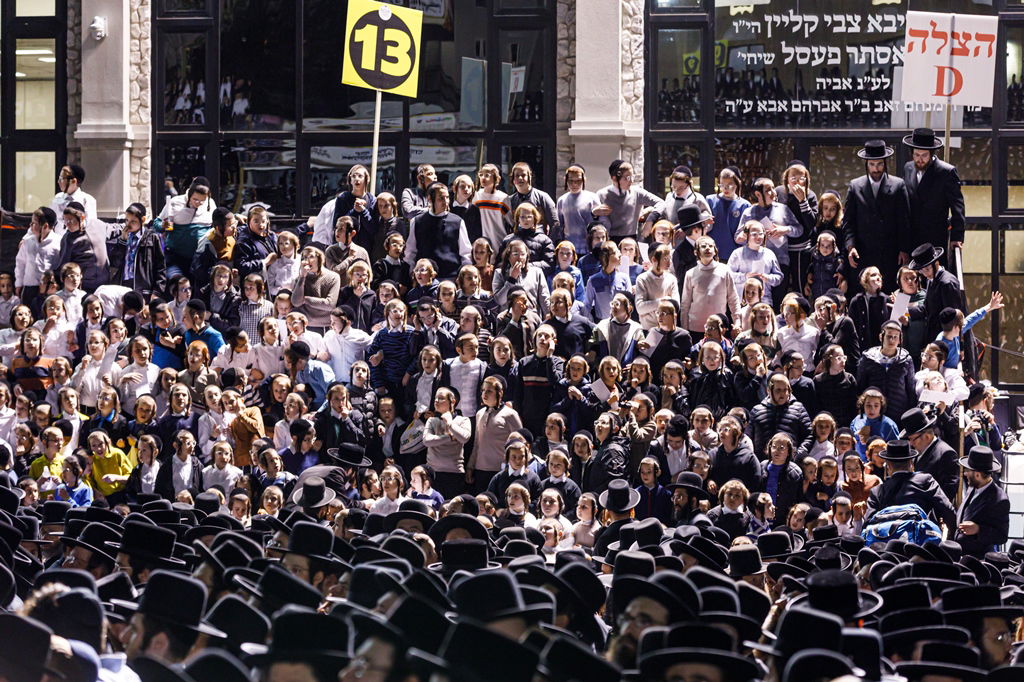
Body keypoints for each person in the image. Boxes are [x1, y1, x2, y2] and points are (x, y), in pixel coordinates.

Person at [841, 140, 912, 292]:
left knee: (889, 295)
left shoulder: (898, 185)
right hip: (864, 252)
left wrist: (904, 249)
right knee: (863, 296)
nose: (876, 168)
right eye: (872, 164)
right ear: (866, 164)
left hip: (890, 253)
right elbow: (848, 222)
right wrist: (851, 246)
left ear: (885, 163)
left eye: (879, 164)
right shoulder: (855, 186)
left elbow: (904, 220)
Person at [902, 127, 966, 259]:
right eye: (916, 155)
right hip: (911, 237)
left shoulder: (946, 172)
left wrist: (957, 237)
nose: (920, 159)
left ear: (931, 154)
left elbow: (958, 207)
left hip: (935, 237)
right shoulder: (908, 167)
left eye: (924, 155)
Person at [865, 439, 956, 530]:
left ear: (888, 466)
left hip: (886, 542)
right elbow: (947, 511)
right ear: (911, 463)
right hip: (921, 541)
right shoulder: (925, 481)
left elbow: (868, 524)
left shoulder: (877, 491)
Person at [405, 182, 472, 280]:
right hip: (424, 278)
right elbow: (410, 252)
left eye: (447, 197)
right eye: (441, 198)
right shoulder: (417, 221)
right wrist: (412, 273)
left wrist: (463, 276)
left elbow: (466, 253)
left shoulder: (457, 221)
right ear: (429, 198)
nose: (445, 201)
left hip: (450, 277)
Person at [857, 320, 916, 426]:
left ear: (900, 339)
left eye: (895, 337)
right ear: (881, 337)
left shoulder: (906, 360)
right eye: (889, 336)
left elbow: (911, 390)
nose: (892, 340)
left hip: (898, 413)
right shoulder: (868, 359)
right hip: (873, 413)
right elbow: (861, 387)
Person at [954, 445, 1009, 558]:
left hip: (977, 560)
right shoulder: (973, 485)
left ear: (977, 475)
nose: (964, 474)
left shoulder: (999, 500)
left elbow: (1001, 536)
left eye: (967, 471)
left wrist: (979, 529)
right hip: (960, 554)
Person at [593, 159, 665, 240]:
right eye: (627, 178)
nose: (632, 181)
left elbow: (661, 203)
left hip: (631, 240)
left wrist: (650, 220)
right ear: (614, 179)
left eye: (632, 177)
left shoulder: (637, 192)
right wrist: (594, 214)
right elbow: (594, 222)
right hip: (609, 241)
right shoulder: (601, 194)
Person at [107, 202, 166, 300]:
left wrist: (157, 292)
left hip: (143, 289)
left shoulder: (152, 238)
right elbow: (115, 263)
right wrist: (122, 242)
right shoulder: (122, 236)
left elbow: (161, 267)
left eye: (133, 221)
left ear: (142, 220)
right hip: (124, 285)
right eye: (126, 220)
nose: (128, 224)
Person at [503, 162, 560, 243]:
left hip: (539, 244)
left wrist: (549, 242)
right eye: (517, 175)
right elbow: (507, 225)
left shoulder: (543, 197)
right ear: (512, 179)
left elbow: (555, 223)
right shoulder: (509, 200)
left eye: (523, 175)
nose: (520, 178)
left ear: (529, 177)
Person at [705, 166, 750, 262]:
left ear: (737, 184)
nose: (725, 188)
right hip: (711, 253)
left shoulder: (744, 205)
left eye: (729, 185)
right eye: (722, 185)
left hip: (734, 254)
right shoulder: (710, 200)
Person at [556, 164, 600, 255]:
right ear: (566, 180)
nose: (574, 184)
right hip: (570, 248)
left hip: (589, 247)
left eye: (578, 181)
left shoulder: (592, 198)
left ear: (584, 180)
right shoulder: (562, 200)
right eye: (571, 181)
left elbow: (601, 224)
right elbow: (560, 226)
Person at [50, 163, 97, 234]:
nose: (58, 181)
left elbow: (91, 226)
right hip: (57, 242)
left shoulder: (87, 200)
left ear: (74, 181)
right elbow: (49, 219)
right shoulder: (58, 197)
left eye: (61, 179)